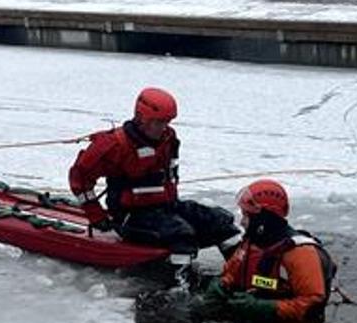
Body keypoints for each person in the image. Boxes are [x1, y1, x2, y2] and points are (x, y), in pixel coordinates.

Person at [69, 87, 239, 254]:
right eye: (158, 122)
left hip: (166, 208)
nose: (163, 127)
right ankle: (181, 278)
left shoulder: (169, 139)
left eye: (167, 122)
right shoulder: (114, 146)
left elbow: (171, 174)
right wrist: (96, 216)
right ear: (141, 118)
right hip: (130, 216)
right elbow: (80, 178)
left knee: (220, 221)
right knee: (180, 233)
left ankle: (237, 270)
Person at [201, 179, 336, 321]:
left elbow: (312, 305)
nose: (242, 222)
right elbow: (233, 272)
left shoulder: (300, 252)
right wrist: (222, 283)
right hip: (251, 320)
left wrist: (265, 307)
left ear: (263, 218)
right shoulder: (251, 242)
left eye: (246, 216)